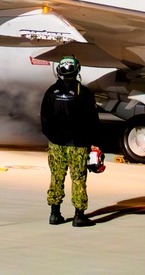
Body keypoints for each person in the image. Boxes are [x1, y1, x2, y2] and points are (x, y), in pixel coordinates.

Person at [40, 55, 100, 227]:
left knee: (56, 177)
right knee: (79, 179)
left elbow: (44, 118)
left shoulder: (51, 92)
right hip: (78, 144)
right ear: (77, 70)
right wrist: (94, 142)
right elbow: (92, 120)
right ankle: (79, 215)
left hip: (56, 144)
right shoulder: (85, 93)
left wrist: (53, 137)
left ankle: (54, 213)